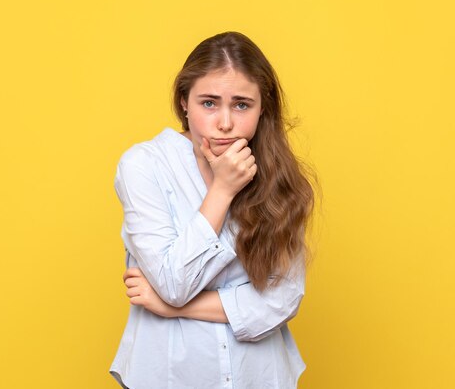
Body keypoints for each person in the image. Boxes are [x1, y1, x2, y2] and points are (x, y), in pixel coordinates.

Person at [109, 31, 315, 389]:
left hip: (260, 378)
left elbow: (282, 300)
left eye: (241, 105)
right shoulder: (144, 166)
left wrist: (176, 308)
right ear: (183, 102)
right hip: (170, 378)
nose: (225, 122)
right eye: (208, 103)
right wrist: (222, 190)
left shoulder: (277, 177)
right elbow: (174, 282)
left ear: (261, 107)